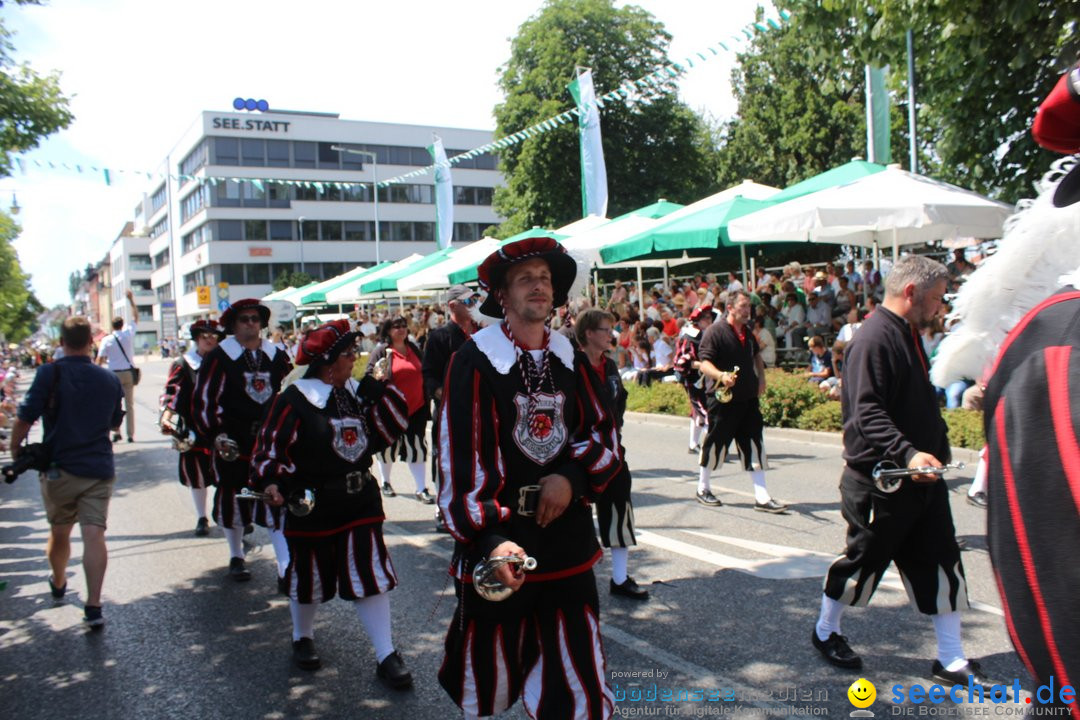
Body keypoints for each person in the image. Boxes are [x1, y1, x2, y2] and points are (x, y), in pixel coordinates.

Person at [436, 236, 620, 719]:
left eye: (545, 279)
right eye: (525, 279)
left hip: (568, 544)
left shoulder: (567, 355)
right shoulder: (474, 360)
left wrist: (572, 480)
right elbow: (460, 465)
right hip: (504, 544)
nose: (539, 286)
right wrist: (490, 539)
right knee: (489, 683)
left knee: (579, 683)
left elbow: (602, 432)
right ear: (502, 295)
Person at [812, 255, 987, 686]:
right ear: (910, 292)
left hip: (921, 478)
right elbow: (866, 414)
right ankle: (824, 631)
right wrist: (908, 454)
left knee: (942, 559)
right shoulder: (873, 338)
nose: (939, 306)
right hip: (882, 482)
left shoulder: (908, 334)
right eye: (934, 297)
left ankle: (950, 657)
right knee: (863, 563)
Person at [249, 320, 413, 684]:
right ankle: (302, 637)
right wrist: (273, 482)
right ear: (327, 363)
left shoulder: (353, 391)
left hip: (360, 502)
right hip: (314, 505)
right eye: (348, 354)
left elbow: (397, 417)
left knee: (370, 575)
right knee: (307, 577)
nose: (354, 359)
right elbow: (268, 450)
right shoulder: (294, 399)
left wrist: (370, 384)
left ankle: (386, 654)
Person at [10, 316, 124, 628]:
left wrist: (15, 450)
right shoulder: (109, 379)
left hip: (59, 468)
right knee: (94, 534)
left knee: (60, 531)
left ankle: (59, 581)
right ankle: (94, 604)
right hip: (99, 468)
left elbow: (25, 416)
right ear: (91, 342)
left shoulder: (51, 372)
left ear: (61, 343)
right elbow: (115, 423)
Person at [192, 298, 292, 585]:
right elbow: (206, 399)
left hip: (270, 440)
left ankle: (284, 566)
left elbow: (289, 392)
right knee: (233, 495)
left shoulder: (277, 356)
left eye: (255, 319)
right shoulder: (219, 357)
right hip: (234, 442)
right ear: (233, 325)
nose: (251, 324)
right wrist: (217, 435)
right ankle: (236, 554)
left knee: (276, 494)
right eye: (245, 319)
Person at [576, 309, 648, 601]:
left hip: (613, 451)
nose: (612, 334)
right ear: (589, 333)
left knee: (620, 509)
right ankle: (577, 578)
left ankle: (619, 578)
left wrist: (614, 431)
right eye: (606, 329)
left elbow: (620, 401)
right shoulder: (572, 365)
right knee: (576, 516)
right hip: (581, 453)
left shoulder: (608, 366)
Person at [696, 291, 787, 513]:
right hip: (722, 399)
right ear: (730, 308)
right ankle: (703, 487)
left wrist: (761, 378)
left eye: (749, 307)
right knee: (716, 441)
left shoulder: (747, 331)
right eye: (743, 306)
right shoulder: (714, 332)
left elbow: (756, 354)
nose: (748, 311)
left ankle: (762, 495)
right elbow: (704, 363)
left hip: (747, 397)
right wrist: (720, 376)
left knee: (755, 441)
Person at [421, 285, 479, 532]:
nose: (473, 304)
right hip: (449, 413)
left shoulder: (481, 333)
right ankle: (442, 509)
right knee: (445, 459)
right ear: (453, 305)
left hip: (480, 410)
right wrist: (443, 396)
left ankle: (474, 505)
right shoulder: (439, 337)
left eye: (473, 300)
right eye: (467, 301)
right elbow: (429, 376)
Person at [159, 320, 225, 536]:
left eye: (213, 335)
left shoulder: (225, 363)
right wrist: (166, 417)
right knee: (197, 476)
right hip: (194, 429)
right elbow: (172, 393)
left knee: (227, 475)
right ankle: (201, 517)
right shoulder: (185, 363)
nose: (209, 339)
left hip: (222, 427)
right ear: (196, 338)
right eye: (204, 335)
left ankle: (230, 516)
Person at [367, 314, 433, 503]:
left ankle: (421, 488)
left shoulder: (413, 348)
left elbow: (424, 370)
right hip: (391, 410)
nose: (401, 329)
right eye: (396, 326)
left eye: (403, 325)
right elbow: (370, 375)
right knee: (388, 448)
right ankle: (386, 483)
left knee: (417, 448)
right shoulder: (381, 351)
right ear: (388, 330)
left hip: (417, 408)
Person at [95, 289, 140, 443]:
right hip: (128, 373)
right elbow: (136, 317)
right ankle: (130, 434)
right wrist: (131, 300)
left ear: (112, 326)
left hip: (112, 375)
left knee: (113, 404)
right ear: (122, 325)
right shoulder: (128, 334)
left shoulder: (107, 340)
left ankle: (116, 431)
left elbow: (99, 359)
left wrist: (96, 373)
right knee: (130, 404)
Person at [673, 305, 714, 453]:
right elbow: (681, 361)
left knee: (698, 412)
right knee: (707, 412)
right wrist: (705, 365)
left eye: (711, 317)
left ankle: (692, 445)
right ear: (699, 320)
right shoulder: (690, 336)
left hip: (707, 379)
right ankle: (711, 448)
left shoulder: (705, 334)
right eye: (707, 318)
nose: (711, 320)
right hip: (694, 380)